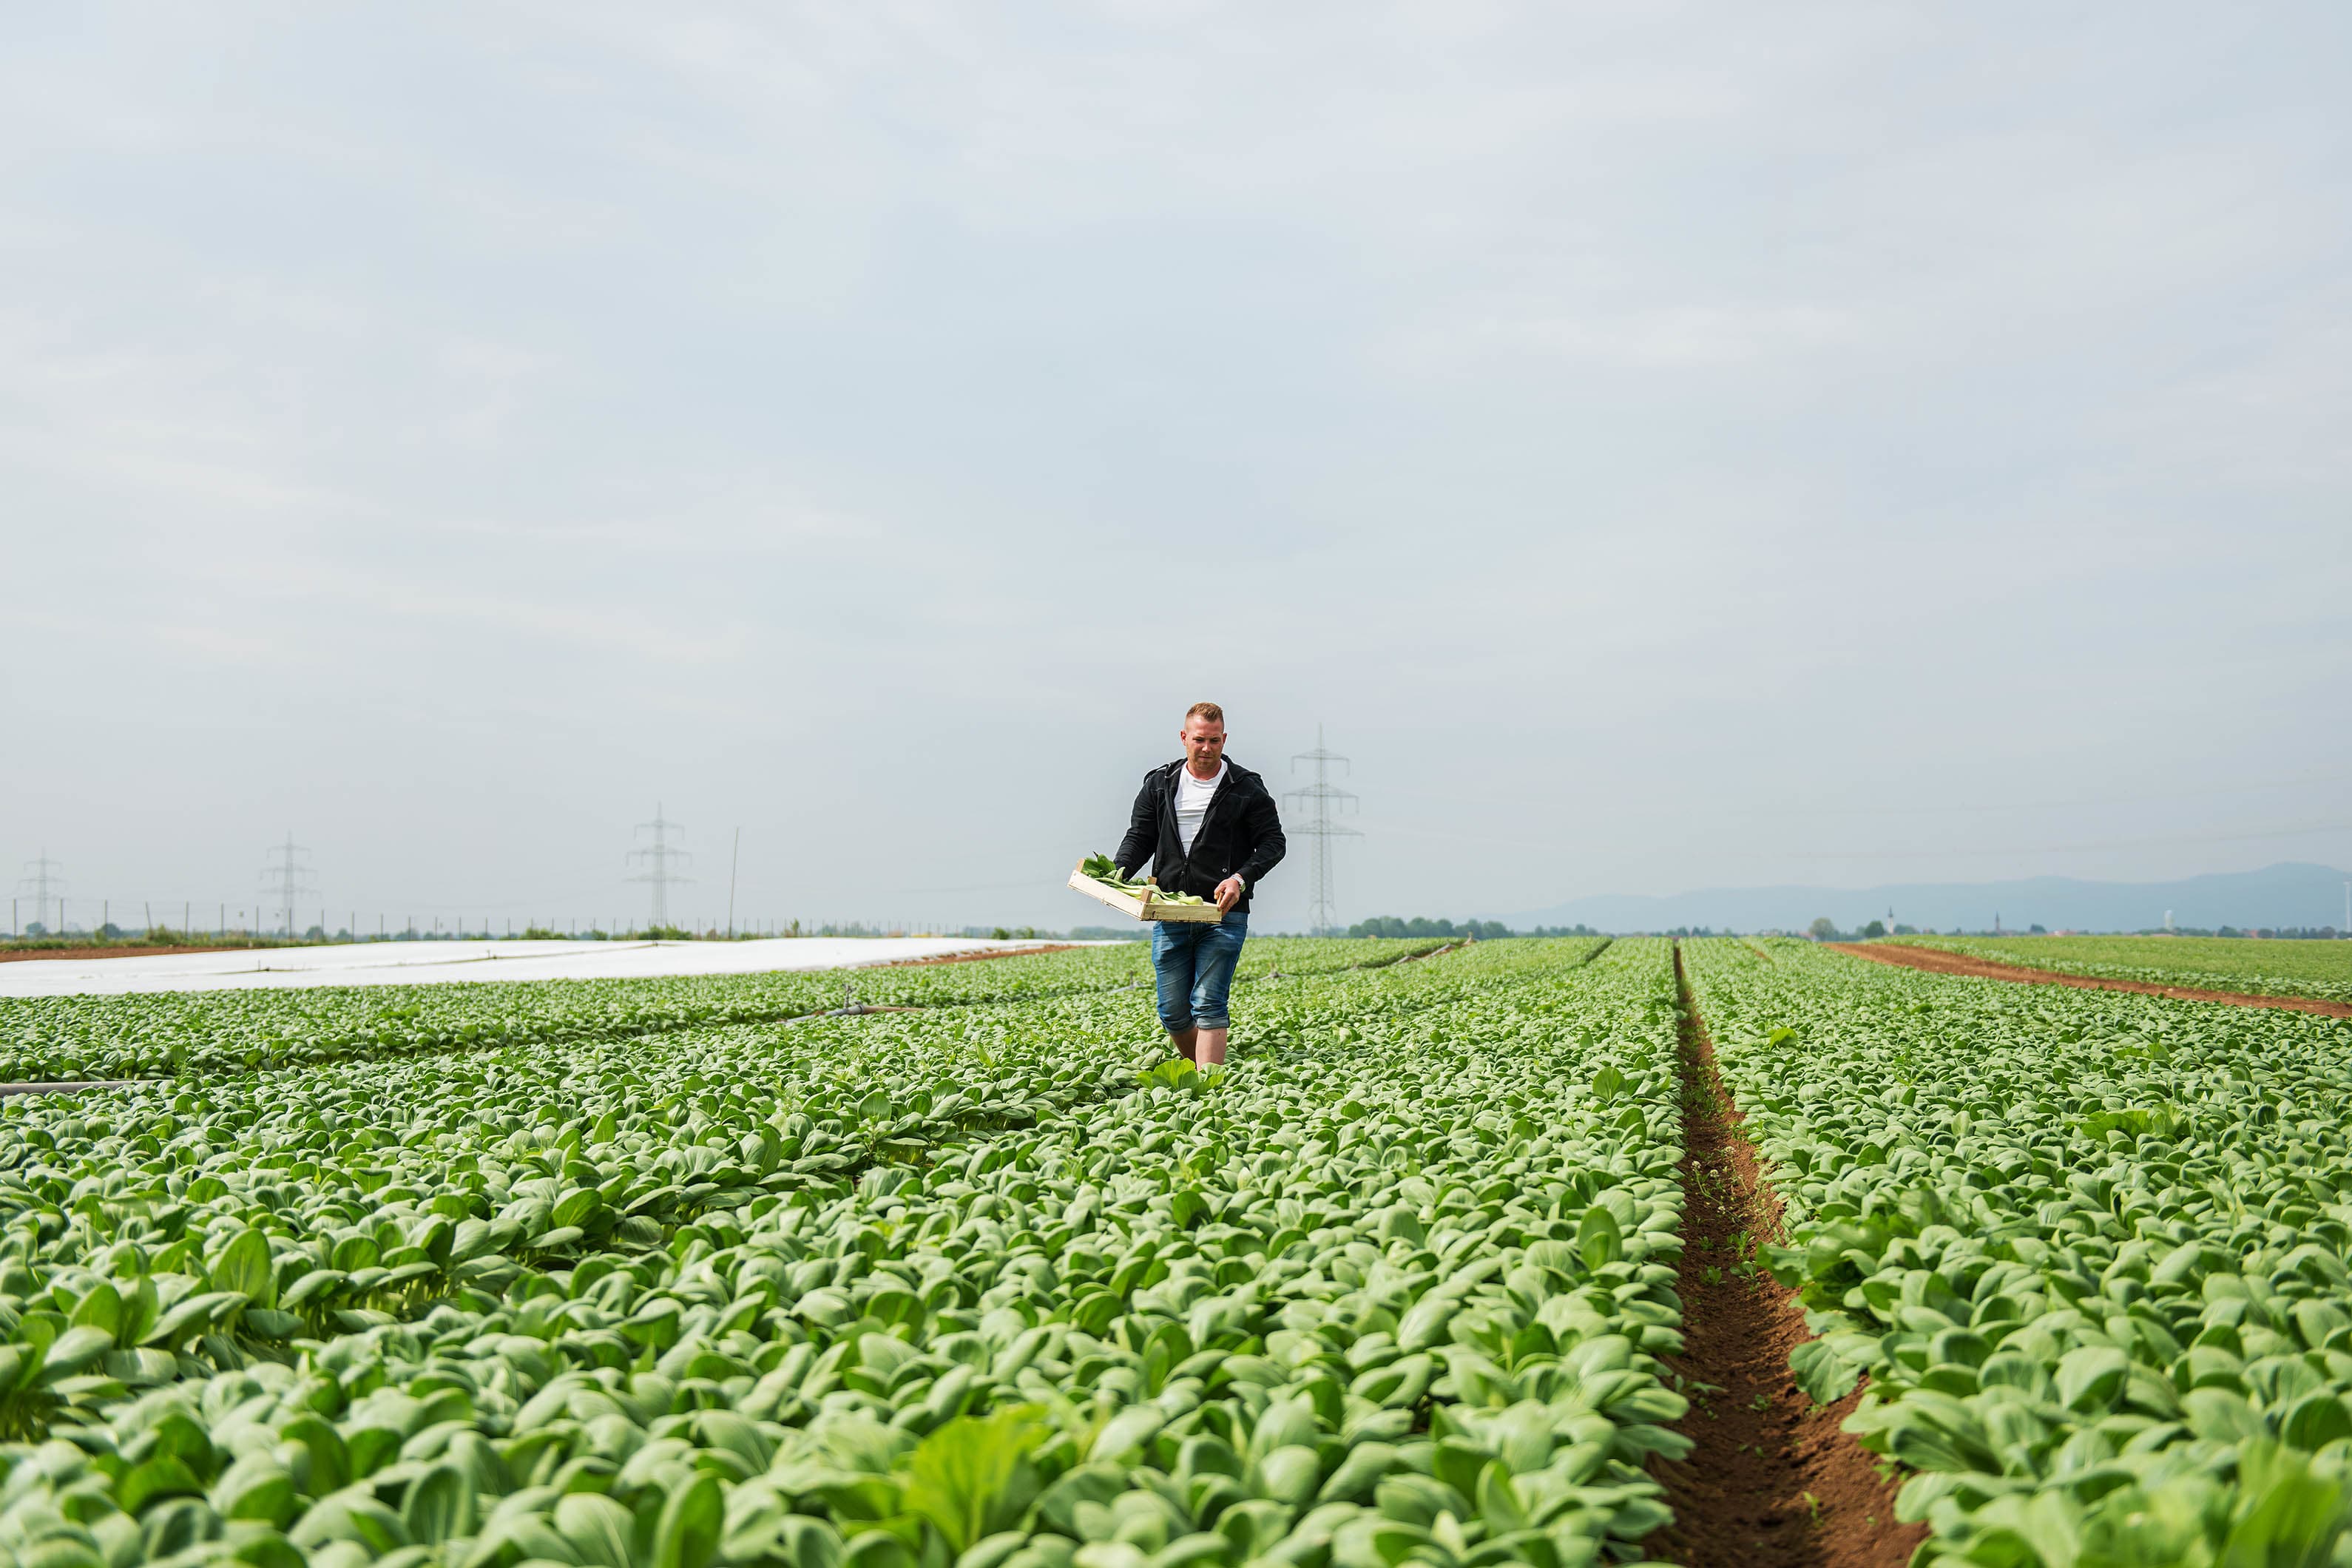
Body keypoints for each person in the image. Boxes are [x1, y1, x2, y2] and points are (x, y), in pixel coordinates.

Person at [1114, 702, 1286, 1066]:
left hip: (1224, 913)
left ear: (1224, 739)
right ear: (1183, 738)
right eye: (1198, 740)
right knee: (1172, 1012)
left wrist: (1240, 878)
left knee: (1209, 1002)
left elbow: (1274, 843)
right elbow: (1140, 837)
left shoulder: (1246, 787)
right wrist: (1118, 872)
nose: (1206, 748)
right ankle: (1202, 1071)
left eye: (1213, 741)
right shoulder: (1160, 784)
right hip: (1170, 910)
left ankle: (1210, 1093)